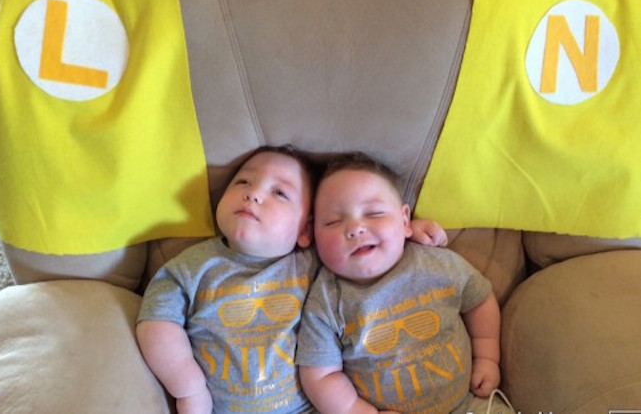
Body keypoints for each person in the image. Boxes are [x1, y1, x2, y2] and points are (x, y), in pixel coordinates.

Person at [136, 145, 447, 414]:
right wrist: (188, 387)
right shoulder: (190, 268)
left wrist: (408, 232)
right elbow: (155, 322)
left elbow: (360, 251)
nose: (253, 193)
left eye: (279, 192)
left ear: (305, 231)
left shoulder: (311, 262)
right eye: (242, 181)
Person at [295, 152, 515, 414]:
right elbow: (320, 375)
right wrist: (359, 411)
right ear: (313, 236)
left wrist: (488, 358)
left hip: (468, 403)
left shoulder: (438, 264)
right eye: (333, 221)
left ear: (404, 221)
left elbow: (478, 300)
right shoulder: (326, 301)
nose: (355, 228)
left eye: (374, 213)